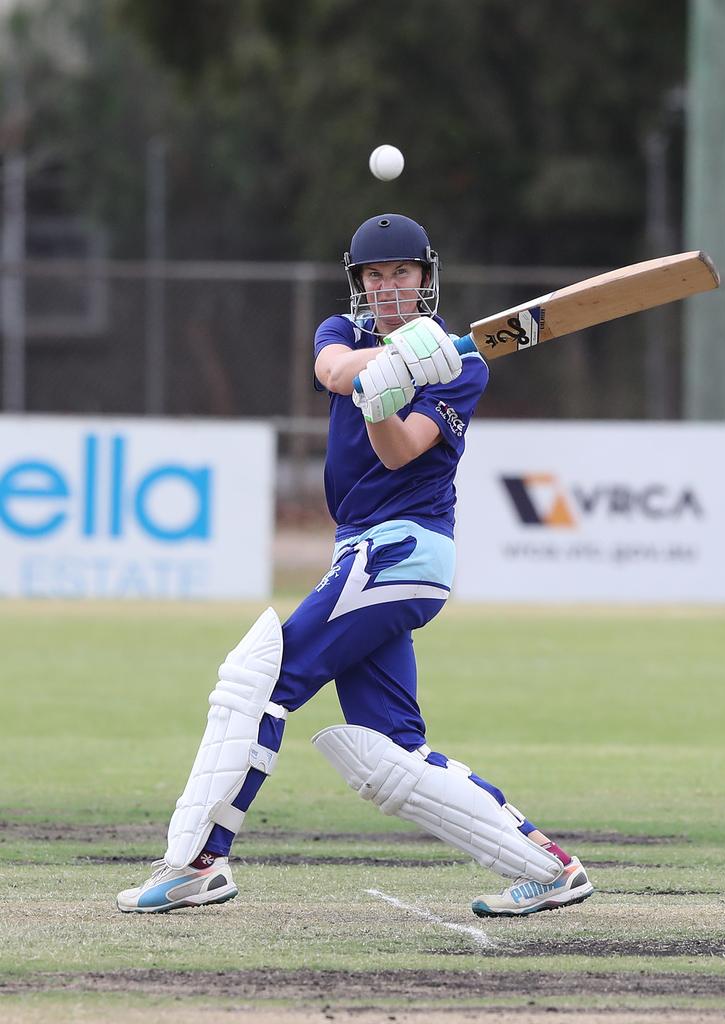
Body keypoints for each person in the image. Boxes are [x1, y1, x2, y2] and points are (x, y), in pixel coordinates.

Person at [117, 213, 593, 918]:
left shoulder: (464, 365)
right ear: (360, 284)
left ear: (426, 279)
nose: (389, 288)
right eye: (376, 276)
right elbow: (332, 371)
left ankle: (199, 861)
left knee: (258, 680)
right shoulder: (342, 334)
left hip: (402, 548)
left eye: (403, 274)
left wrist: (391, 396)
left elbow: (402, 449)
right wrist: (387, 368)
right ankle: (548, 868)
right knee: (384, 750)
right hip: (364, 551)